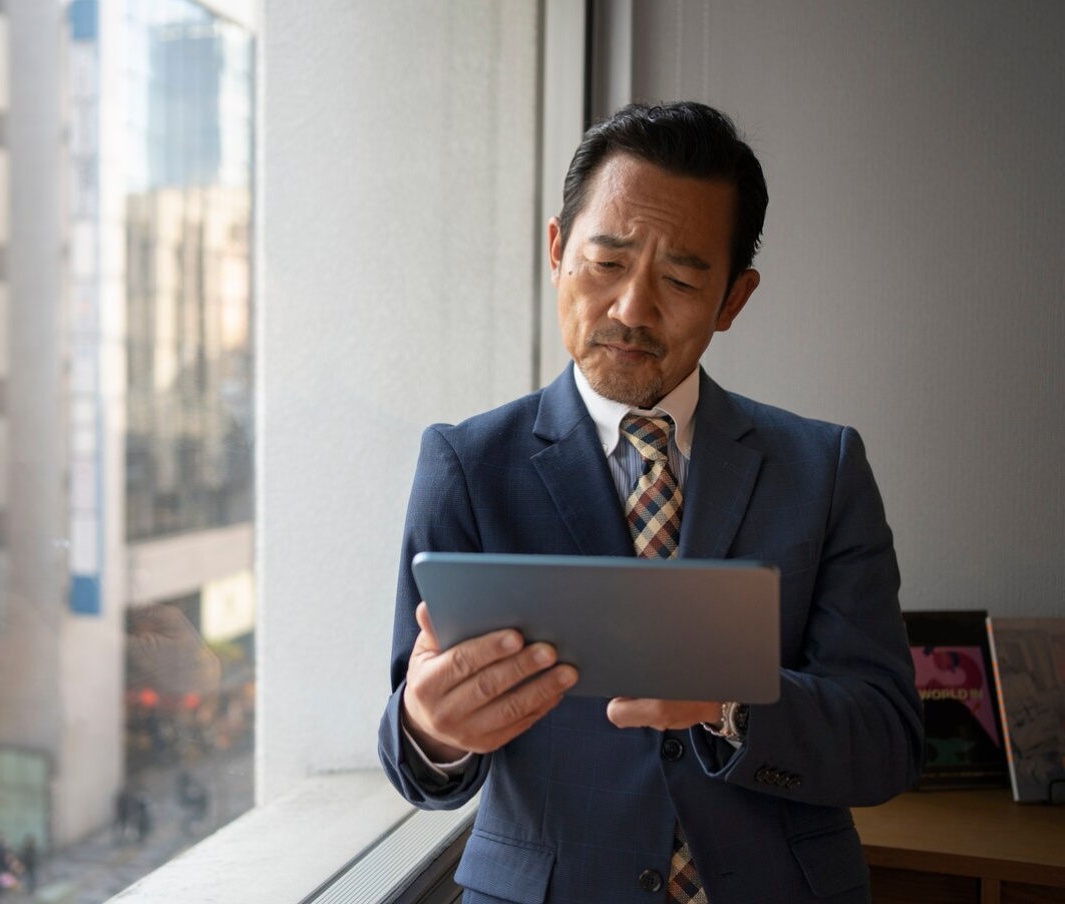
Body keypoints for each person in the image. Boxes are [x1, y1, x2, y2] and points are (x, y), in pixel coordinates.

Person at [377, 101, 923, 904]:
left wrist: (727, 699)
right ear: (558, 252)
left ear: (733, 300)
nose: (632, 309)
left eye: (679, 278)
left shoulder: (823, 467)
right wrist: (433, 729)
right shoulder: (466, 465)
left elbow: (885, 742)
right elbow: (414, 760)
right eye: (606, 262)